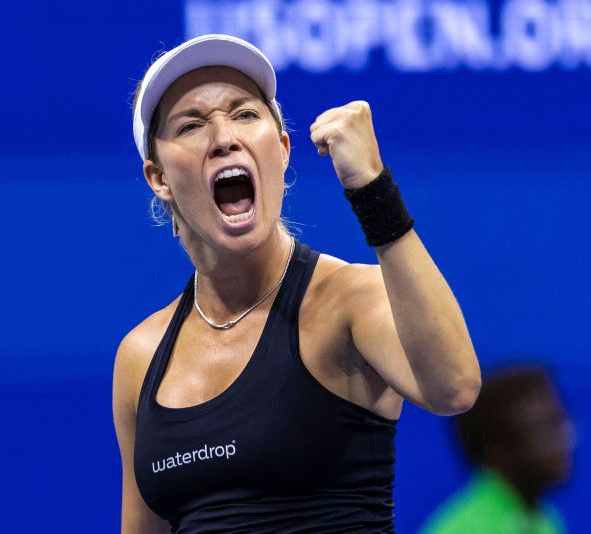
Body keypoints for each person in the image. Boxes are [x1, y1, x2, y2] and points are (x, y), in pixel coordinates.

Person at [112, 34, 481, 533]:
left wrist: (373, 190)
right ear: (158, 178)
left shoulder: (350, 300)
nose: (224, 137)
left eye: (245, 114)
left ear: (282, 148)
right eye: (192, 125)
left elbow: (454, 387)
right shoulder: (141, 356)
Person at [420, 365, 574, 534]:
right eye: (541, 434)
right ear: (496, 450)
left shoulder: (545, 519)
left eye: (558, 424)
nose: (563, 441)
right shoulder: (466, 529)